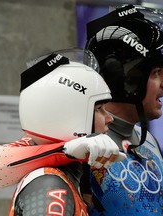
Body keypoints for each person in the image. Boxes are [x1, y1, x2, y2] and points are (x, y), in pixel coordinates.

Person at [0, 4, 163, 215]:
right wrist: (63, 151)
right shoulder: (79, 136)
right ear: (124, 78)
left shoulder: (147, 140)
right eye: (157, 72)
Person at [8, 49, 126, 215]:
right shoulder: (50, 186)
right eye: (99, 109)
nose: (110, 118)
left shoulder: (62, 178)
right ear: (67, 115)